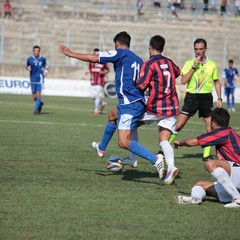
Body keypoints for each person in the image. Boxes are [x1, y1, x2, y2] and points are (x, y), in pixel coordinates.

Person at [58, 31, 165, 180]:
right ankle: (101, 148)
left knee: (123, 142)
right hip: (135, 102)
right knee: (112, 115)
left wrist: (71, 54)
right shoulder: (139, 60)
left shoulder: (120, 53)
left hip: (130, 104)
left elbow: (95, 58)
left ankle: (156, 160)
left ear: (117, 44)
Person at [91, 35, 181, 185]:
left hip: (155, 107)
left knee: (127, 130)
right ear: (163, 48)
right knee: (163, 140)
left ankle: (149, 159)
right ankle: (171, 168)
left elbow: (142, 85)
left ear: (150, 47)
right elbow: (177, 73)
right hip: (172, 107)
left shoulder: (149, 64)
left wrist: (133, 86)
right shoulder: (170, 63)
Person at [174, 107, 240, 208]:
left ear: (213, 122)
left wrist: (180, 142)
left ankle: (237, 199)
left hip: (237, 171)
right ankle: (196, 199)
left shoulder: (223, 133)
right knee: (199, 185)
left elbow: (193, 142)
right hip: (234, 180)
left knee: (210, 164)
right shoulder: (229, 132)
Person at [169, 38, 222, 161]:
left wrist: (219, 98)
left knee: (209, 128)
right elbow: (183, 81)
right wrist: (193, 67)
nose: (198, 52)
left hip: (206, 98)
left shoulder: (212, 64)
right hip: (191, 97)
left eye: (201, 49)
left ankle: (206, 155)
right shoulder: (189, 63)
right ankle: (164, 147)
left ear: (205, 49)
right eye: (196, 49)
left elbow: (217, 82)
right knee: (179, 125)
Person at [85, 48, 110, 115]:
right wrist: (88, 71)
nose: (95, 54)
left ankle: (96, 110)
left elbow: (108, 70)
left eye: (97, 53)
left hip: (100, 81)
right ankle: (103, 103)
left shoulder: (103, 61)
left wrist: (102, 72)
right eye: (94, 53)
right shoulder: (91, 61)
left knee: (96, 95)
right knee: (93, 96)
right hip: (93, 81)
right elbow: (90, 69)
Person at [26, 46, 48, 114]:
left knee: (38, 95)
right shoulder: (29, 59)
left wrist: (45, 71)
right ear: (33, 51)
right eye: (35, 51)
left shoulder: (43, 59)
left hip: (40, 79)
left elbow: (45, 66)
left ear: (39, 51)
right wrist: (28, 68)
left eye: (38, 51)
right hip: (32, 79)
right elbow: (27, 66)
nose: (36, 52)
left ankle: (35, 110)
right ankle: (40, 103)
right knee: (34, 96)